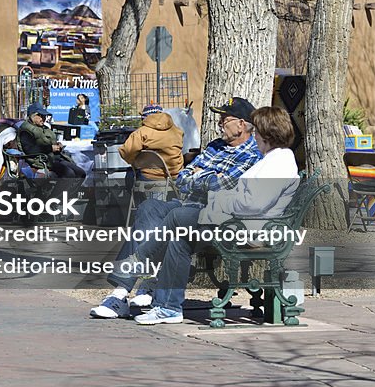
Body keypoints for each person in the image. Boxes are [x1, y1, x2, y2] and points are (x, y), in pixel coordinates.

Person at [90, 96, 262, 320]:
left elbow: (223, 185)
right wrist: (206, 178)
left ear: (241, 124)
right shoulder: (214, 147)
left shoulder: (252, 154)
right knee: (149, 208)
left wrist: (202, 177)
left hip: (211, 217)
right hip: (185, 204)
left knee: (173, 218)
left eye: (224, 119)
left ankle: (148, 284)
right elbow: (182, 178)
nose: (219, 123)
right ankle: (120, 293)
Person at [18, 102, 86, 179]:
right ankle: (60, 191)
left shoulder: (44, 127)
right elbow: (30, 150)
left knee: (81, 174)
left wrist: (58, 145)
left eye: (44, 116)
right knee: (69, 174)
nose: (43, 118)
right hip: (41, 160)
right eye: (41, 116)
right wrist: (50, 148)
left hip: (54, 158)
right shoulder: (26, 130)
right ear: (33, 116)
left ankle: (70, 191)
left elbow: (50, 141)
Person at [118, 103, 184, 179]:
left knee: (130, 173)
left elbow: (126, 152)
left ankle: (131, 191)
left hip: (150, 177)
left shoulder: (141, 132)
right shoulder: (177, 131)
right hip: (176, 175)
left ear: (145, 118)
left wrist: (135, 160)